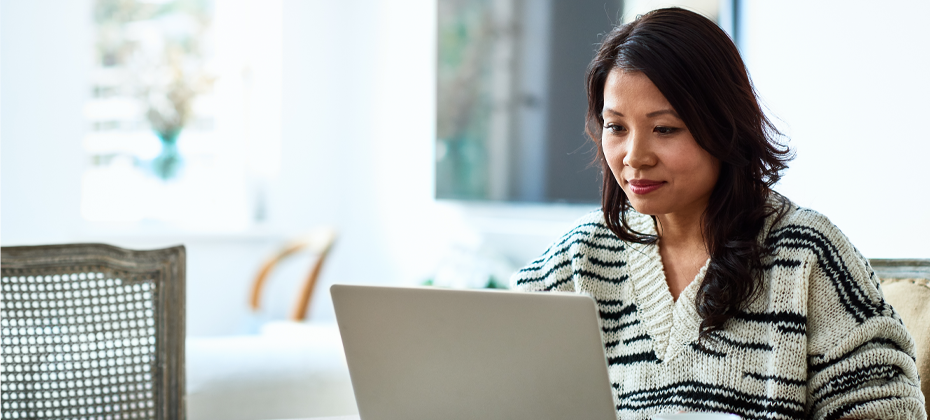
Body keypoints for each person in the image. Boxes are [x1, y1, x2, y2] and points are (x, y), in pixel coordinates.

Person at [510, 7, 926, 420]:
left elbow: (888, 412)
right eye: (616, 127)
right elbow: (495, 385)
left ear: (723, 126)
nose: (634, 157)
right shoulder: (579, 257)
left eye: (665, 129)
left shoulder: (808, 255)